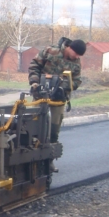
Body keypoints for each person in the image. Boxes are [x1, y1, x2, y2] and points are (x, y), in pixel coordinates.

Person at [28, 38, 85, 171]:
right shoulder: (50, 51)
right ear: (70, 48)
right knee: (32, 125)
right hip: (40, 95)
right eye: (76, 54)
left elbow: (77, 80)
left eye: (79, 56)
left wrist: (65, 87)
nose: (76, 57)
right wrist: (34, 82)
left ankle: (49, 161)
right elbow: (34, 65)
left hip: (59, 98)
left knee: (54, 131)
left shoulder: (76, 62)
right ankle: (30, 158)